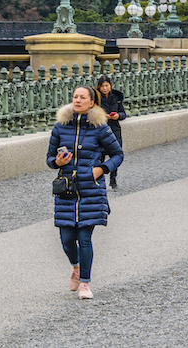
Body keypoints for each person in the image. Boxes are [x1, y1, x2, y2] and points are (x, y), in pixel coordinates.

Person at [47, 85, 124, 300]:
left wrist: (101, 169)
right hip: (67, 190)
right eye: (75, 97)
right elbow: (49, 159)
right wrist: (57, 161)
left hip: (91, 190)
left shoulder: (101, 127)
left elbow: (118, 154)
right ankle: (76, 267)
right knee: (66, 239)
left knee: (84, 238)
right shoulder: (60, 127)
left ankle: (85, 284)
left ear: (92, 102)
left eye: (82, 97)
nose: (77, 100)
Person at [96, 75, 126, 189]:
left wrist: (118, 115)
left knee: (115, 154)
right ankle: (99, 179)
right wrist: (102, 116)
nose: (104, 88)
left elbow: (123, 114)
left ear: (110, 86)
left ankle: (113, 179)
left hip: (114, 129)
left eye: (106, 86)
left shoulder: (116, 97)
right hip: (101, 129)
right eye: (102, 86)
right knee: (101, 155)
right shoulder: (96, 98)